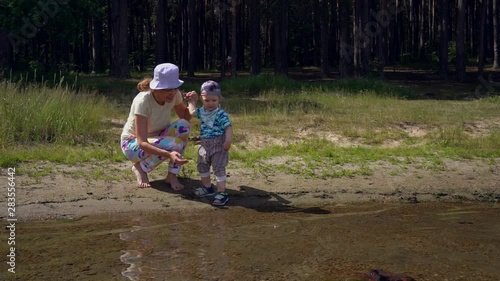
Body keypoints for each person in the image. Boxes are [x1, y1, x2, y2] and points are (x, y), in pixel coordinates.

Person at [121, 63, 198, 189]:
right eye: (167, 89)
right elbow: (142, 142)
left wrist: (192, 102)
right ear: (155, 88)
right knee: (175, 143)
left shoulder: (174, 94)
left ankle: (171, 176)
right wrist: (169, 154)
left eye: (174, 88)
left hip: (159, 138)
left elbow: (184, 117)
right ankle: (140, 168)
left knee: (184, 125)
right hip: (132, 145)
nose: (172, 93)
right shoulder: (143, 101)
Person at [188, 80, 233, 206]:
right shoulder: (202, 111)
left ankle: (222, 192)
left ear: (219, 99)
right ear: (202, 100)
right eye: (207, 101)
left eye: (214, 100)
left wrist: (228, 140)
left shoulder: (220, 114)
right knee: (202, 165)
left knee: (219, 167)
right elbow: (191, 113)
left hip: (219, 144)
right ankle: (208, 188)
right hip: (205, 144)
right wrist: (191, 102)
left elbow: (228, 127)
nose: (210, 103)